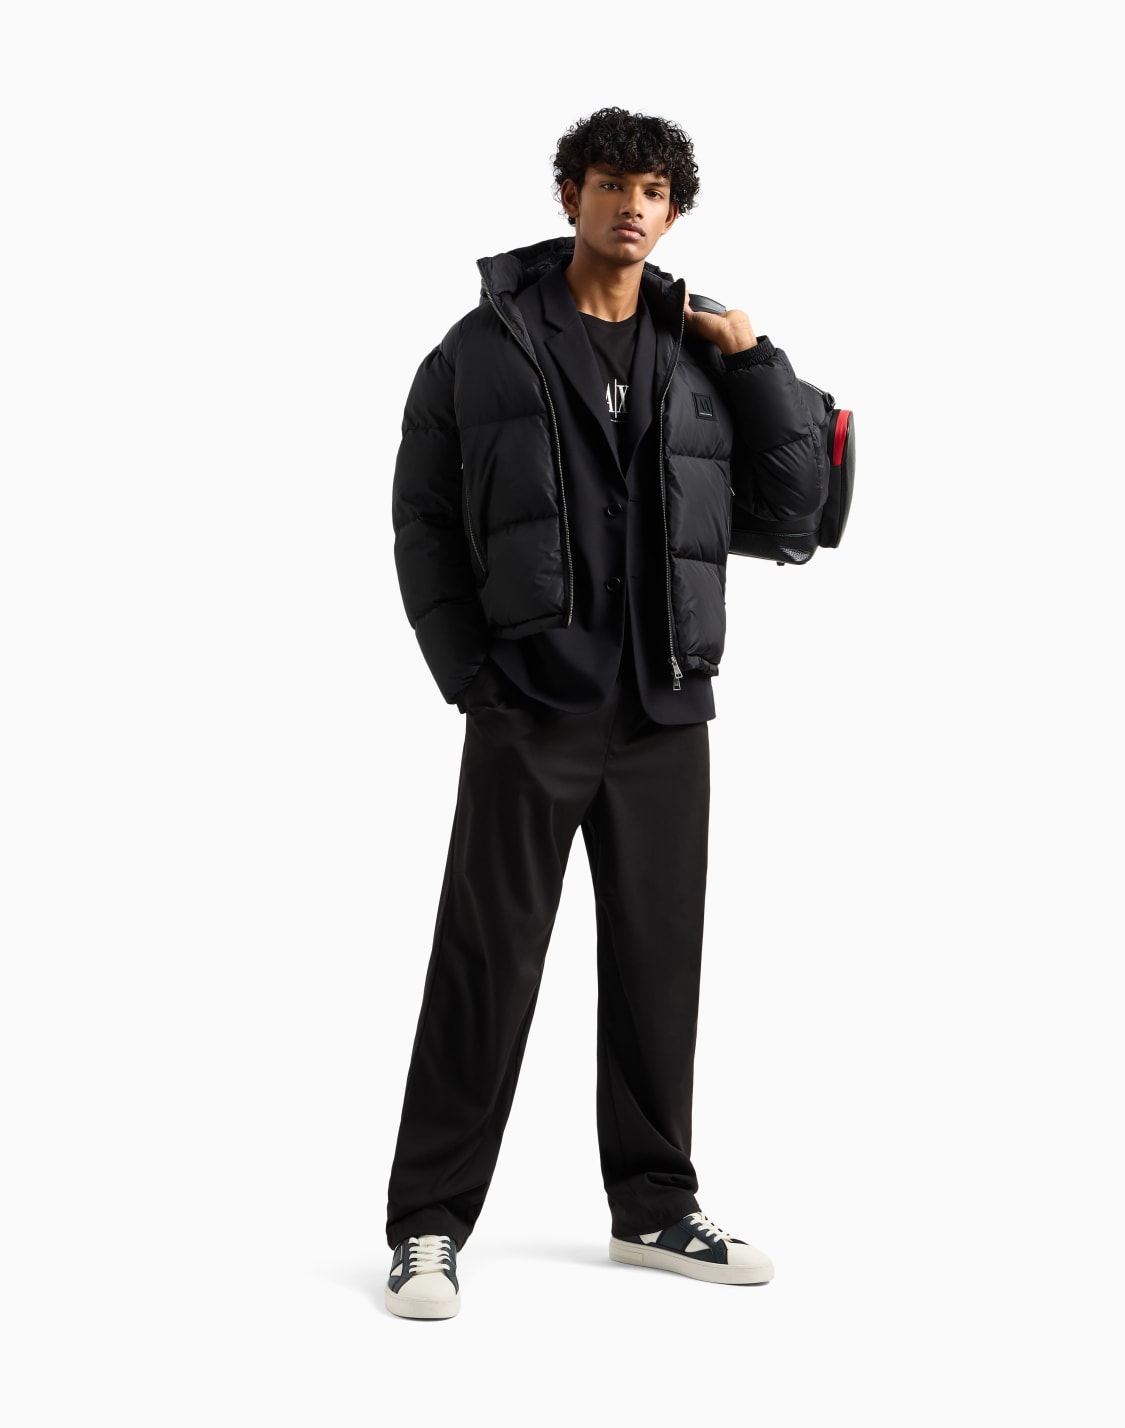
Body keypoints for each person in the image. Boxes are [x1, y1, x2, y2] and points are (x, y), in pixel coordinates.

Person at [384, 106, 828, 1319]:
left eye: (651, 191)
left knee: (656, 968)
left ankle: (654, 1206)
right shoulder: (483, 348)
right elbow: (422, 518)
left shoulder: (700, 351)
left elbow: (798, 507)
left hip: (663, 708)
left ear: (673, 212)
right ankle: (427, 1225)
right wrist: (469, 676)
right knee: (485, 965)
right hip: (529, 704)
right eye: (609, 183)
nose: (630, 206)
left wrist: (754, 358)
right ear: (569, 195)